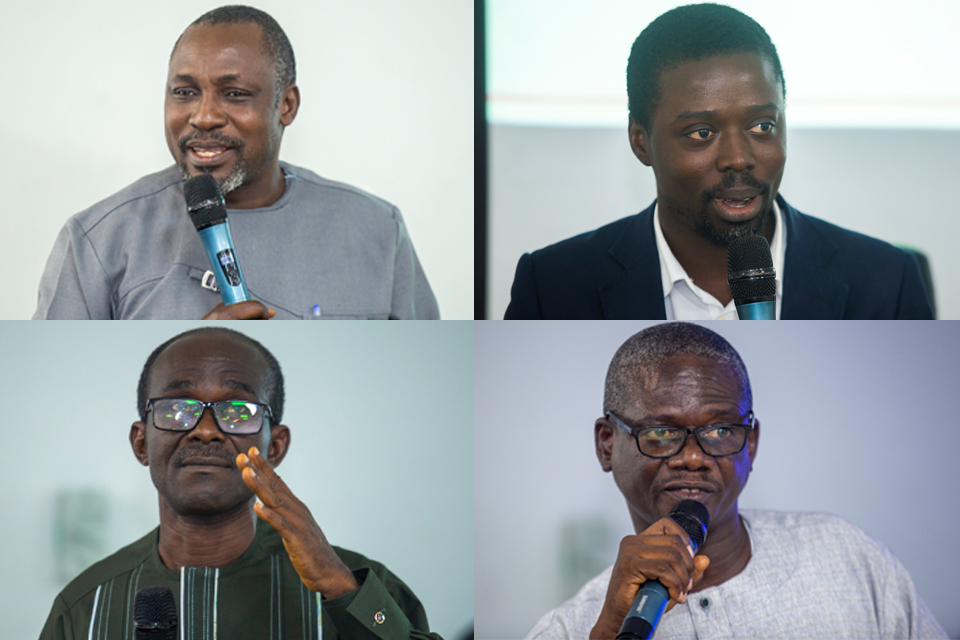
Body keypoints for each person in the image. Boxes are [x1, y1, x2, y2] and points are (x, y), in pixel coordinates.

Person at [504, 4, 932, 320]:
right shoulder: (554, 286)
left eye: (762, 125)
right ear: (641, 142)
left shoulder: (885, 282)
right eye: (701, 133)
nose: (739, 158)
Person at [525, 322, 947, 639]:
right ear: (606, 444)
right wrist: (611, 629)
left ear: (752, 444)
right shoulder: (569, 629)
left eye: (721, 431)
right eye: (662, 433)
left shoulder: (850, 558)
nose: (693, 458)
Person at [34, 5, 438, 320]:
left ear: (286, 104)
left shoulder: (378, 232)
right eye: (185, 92)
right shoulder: (97, 240)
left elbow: (429, 375)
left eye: (235, 94)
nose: (204, 116)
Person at [40, 327, 441, 639]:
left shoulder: (359, 584)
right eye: (179, 409)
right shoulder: (84, 604)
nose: (207, 431)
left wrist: (340, 588)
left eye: (237, 410)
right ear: (141, 442)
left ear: (275, 446)